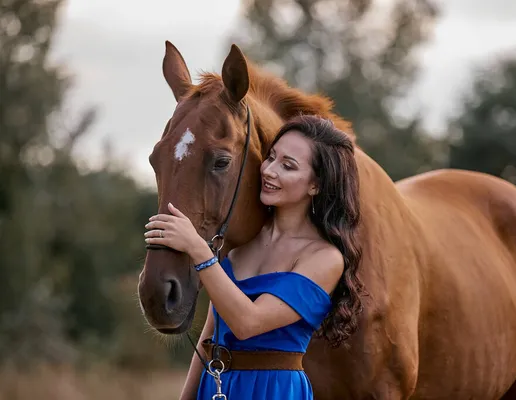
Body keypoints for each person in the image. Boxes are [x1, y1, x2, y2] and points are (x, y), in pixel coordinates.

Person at [144, 115, 365, 400]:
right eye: (271, 157)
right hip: (217, 386)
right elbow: (210, 336)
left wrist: (197, 248)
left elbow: (248, 323)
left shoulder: (324, 258)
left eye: (288, 166)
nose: (270, 171)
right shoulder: (240, 243)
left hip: (273, 390)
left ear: (315, 185)